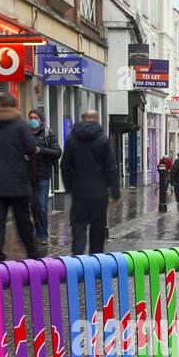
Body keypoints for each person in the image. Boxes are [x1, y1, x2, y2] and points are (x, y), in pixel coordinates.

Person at [0, 93, 40, 262]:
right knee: (23, 219)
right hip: (17, 181)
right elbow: (30, 147)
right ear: (14, 107)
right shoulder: (20, 125)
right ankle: (32, 252)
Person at [59, 110, 121, 255]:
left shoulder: (72, 139)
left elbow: (65, 166)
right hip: (99, 192)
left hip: (79, 191)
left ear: (82, 119)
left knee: (78, 226)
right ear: (97, 120)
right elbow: (110, 168)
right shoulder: (103, 139)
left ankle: (78, 260)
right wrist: (115, 192)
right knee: (98, 228)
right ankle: (95, 261)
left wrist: (70, 187)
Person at [27, 108, 61, 247]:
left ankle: (42, 235)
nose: (33, 120)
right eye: (31, 118)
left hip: (43, 176)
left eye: (35, 118)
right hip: (28, 176)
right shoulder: (25, 134)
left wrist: (41, 150)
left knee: (41, 206)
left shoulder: (48, 133)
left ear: (41, 120)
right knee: (33, 206)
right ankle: (37, 229)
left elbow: (57, 152)